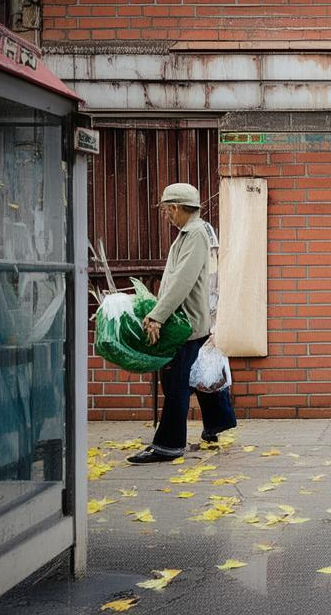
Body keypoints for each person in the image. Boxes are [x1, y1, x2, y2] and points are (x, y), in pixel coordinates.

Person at [127, 183, 237, 464]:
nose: (166, 215)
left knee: (175, 383)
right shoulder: (193, 233)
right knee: (200, 375)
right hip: (192, 320)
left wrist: (157, 315)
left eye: (166, 210)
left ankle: (168, 445)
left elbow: (182, 281)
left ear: (176, 208)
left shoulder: (195, 235)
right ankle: (218, 422)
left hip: (185, 323)